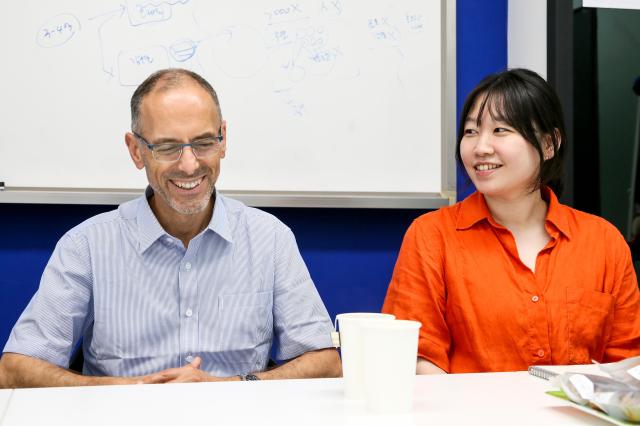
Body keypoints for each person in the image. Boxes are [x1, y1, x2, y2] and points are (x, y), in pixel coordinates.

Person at [0, 68, 341, 387]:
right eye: (167, 147)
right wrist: (127, 390)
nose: (189, 164)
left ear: (223, 140)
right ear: (136, 151)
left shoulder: (270, 239)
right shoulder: (87, 245)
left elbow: (325, 363)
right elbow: (15, 370)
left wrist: (234, 387)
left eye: (204, 142)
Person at [382, 68, 640, 374]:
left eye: (500, 130)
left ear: (549, 144)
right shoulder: (431, 235)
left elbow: (626, 362)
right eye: (470, 131)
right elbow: (417, 356)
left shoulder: (603, 242)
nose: (480, 147)